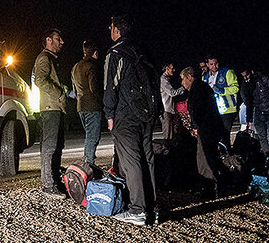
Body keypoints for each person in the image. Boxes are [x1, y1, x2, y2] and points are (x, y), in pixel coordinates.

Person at [103, 14, 160, 225]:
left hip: (126, 115)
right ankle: (152, 207)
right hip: (146, 113)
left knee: (131, 161)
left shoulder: (116, 53)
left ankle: (137, 209)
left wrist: (109, 114)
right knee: (148, 158)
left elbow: (111, 87)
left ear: (116, 30)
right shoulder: (142, 50)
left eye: (110, 27)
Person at [32, 29, 67, 198]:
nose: (62, 42)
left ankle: (55, 181)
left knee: (57, 147)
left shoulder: (51, 59)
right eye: (58, 39)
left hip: (56, 108)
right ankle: (48, 185)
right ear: (48, 40)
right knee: (50, 147)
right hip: (49, 108)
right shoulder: (44, 58)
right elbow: (40, 80)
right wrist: (60, 93)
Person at [181, 66, 226, 198]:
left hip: (206, 127)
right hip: (212, 126)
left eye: (183, 79)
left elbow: (197, 109)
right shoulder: (204, 87)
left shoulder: (197, 89)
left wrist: (195, 126)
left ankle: (211, 188)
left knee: (205, 158)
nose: (182, 83)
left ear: (190, 77)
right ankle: (215, 185)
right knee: (210, 155)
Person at [71, 39, 103, 166]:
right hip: (93, 106)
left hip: (81, 106)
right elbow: (95, 88)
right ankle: (88, 164)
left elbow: (74, 89)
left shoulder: (75, 67)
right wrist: (104, 102)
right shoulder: (92, 66)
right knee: (93, 137)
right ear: (95, 53)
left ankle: (88, 161)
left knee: (89, 135)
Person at [202, 56, 240, 139]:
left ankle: (226, 151)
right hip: (213, 109)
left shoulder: (227, 72)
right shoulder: (205, 77)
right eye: (211, 64)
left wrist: (221, 90)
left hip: (228, 109)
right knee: (215, 133)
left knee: (225, 133)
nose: (214, 66)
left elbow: (235, 88)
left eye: (216, 63)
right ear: (207, 65)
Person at [159, 62, 184, 140]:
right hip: (166, 109)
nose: (174, 70)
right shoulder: (163, 80)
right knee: (168, 134)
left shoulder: (167, 79)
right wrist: (183, 88)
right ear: (167, 68)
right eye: (172, 68)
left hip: (168, 109)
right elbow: (172, 93)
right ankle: (167, 150)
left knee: (170, 133)